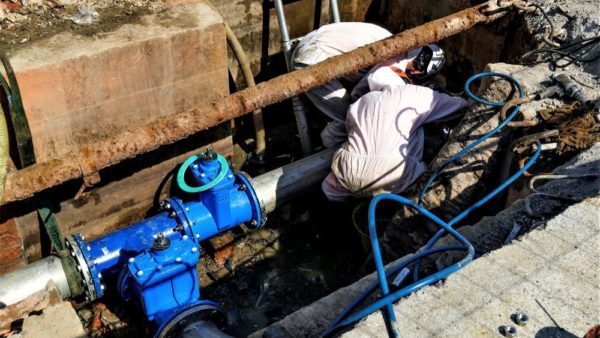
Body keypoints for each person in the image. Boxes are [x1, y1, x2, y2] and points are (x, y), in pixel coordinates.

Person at [292, 22, 446, 147]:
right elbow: (359, 93)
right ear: (420, 70)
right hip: (311, 61)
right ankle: (325, 145)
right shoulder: (395, 60)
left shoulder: (394, 39)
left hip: (311, 40)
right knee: (353, 117)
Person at [321, 84, 467, 201]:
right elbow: (459, 106)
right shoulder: (414, 93)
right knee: (425, 134)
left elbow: (348, 132)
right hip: (395, 174)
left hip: (348, 167)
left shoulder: (362, 102)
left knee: (331, 187)